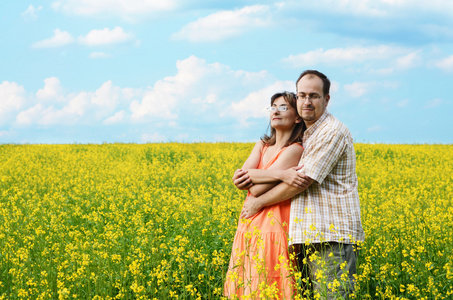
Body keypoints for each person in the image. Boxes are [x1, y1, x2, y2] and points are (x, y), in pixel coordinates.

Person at [239, 70, 365, 299]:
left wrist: (257, 203)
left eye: (314, 96)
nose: (307, 101)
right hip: (305, 237)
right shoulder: (309, 134)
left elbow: (300, 182)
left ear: (326, 99)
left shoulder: (331, 132)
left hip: (330, 237)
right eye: (302, 95)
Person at [224, 92, 309, 299]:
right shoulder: (262, 145)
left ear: (297, 117)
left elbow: (255, 189)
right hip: (249, 221)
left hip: (273, 225)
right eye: (273, 106)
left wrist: (254, 177)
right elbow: (243, 178)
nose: (276, 111)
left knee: (269, 284)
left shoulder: (295, 149)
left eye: (284, 107)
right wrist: (280, 174)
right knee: (247, 284)